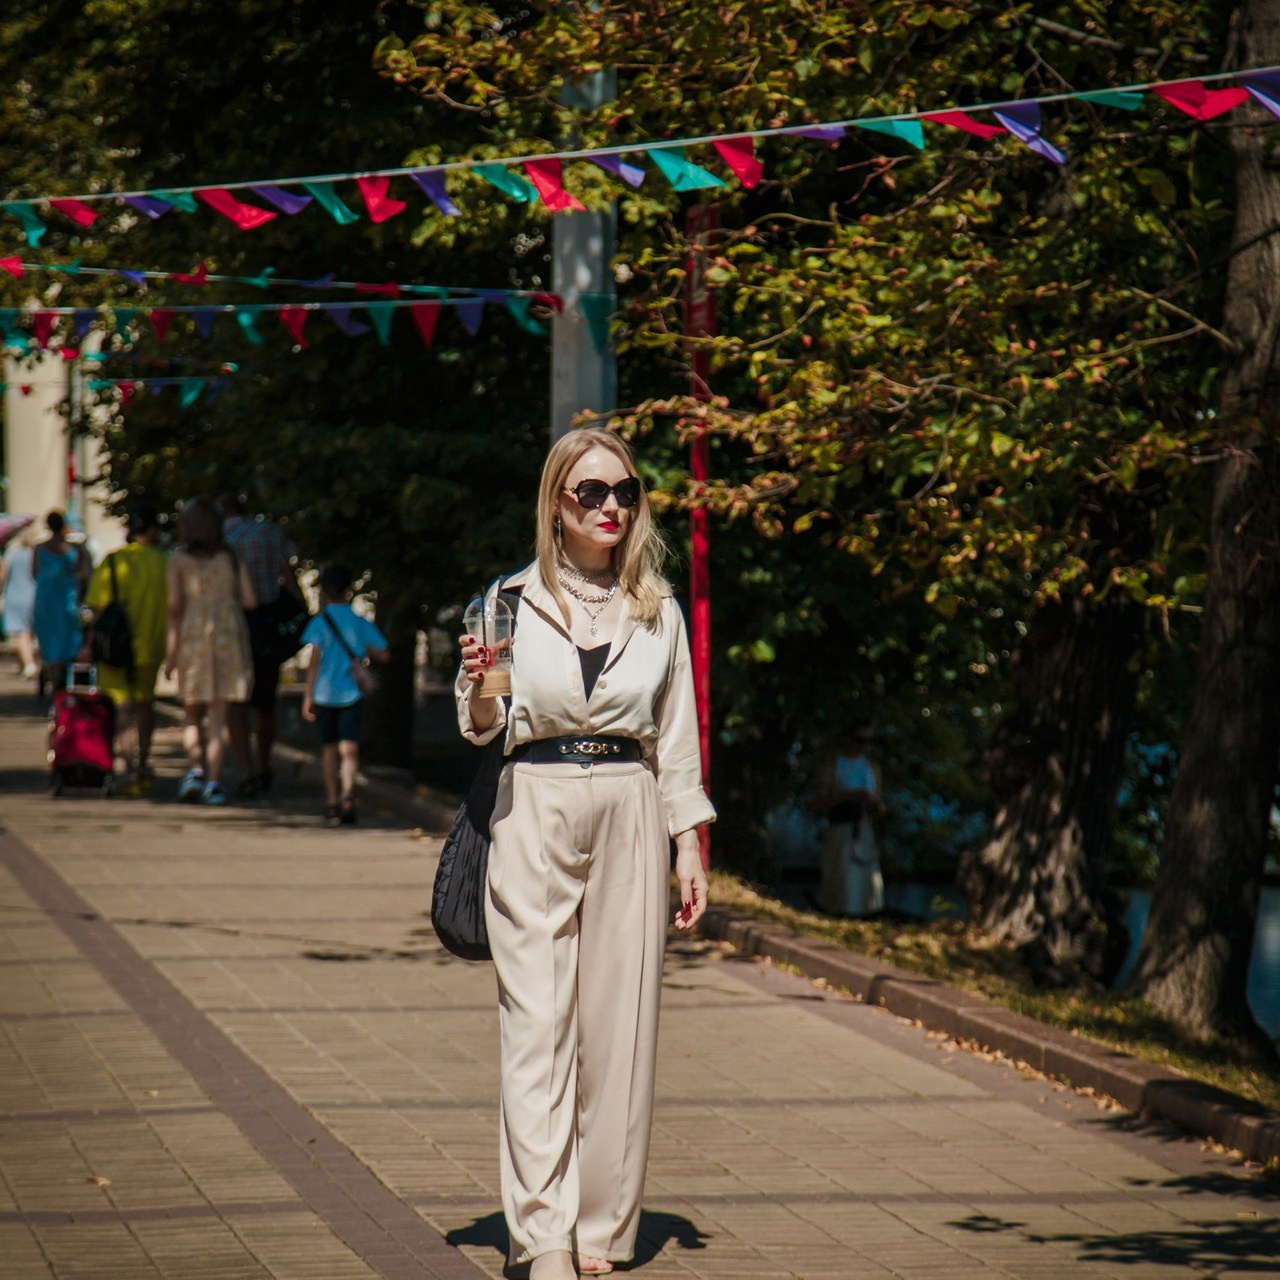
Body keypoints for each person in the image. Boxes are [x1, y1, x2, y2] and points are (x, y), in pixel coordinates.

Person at [456, 427, 713, 1280]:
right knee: (538, 1027)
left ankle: (602, 1231)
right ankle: (544, 1236)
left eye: (625, 493)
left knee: (620, 1032)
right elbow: (484, 727)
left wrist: (690, 843)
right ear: (555, 504)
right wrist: (479, 681)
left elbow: (675, 741)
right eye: (590, 493)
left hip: (633, 810)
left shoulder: (658, 608)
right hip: (534, 800)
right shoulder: (506, 601)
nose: (610, 508)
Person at [163, 495, 256, 806]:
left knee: (192, 713)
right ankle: (215, 782)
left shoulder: (178, 560)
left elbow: (175, 609)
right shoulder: (231, 557)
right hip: (228, 639)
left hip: (193, 638)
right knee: (219, 717)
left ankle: (195, 771)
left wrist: (171, 654)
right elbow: (251, 600)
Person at [220, 492, 305, 795]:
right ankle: (264, 764)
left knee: (236, 702)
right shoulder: (270, 532)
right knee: (267, 702)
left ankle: (246, 772)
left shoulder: (221, 538)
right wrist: (302, 610)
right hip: (269, 625)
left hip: (235, 625)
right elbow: (288, 575)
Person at [83, 506, 169, 794]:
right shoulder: (165, 563)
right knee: (145, 705)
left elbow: (97, 610)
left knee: (121, 708)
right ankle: (143, 764)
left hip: (115, 648)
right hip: (151, 644)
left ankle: (129, 769)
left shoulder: (112, 562)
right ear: (153, 530)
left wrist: (87, 644)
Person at [300, 563, 388, 826]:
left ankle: (331, 800)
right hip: (352, 694)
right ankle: (348, 796)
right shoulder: (359, 621)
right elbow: (384, 652)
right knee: (349, 749)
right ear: (349, 591)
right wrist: (362, 654)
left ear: (324, 590)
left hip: (325, 693)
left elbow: (313, 662)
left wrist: (308, 697)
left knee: (329, 750)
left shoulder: (320, 622)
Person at [817, 724, 886, 917]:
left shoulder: (872, 767)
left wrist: (874, 805)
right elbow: (820, 800)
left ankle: (866, 915)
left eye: (868, 741)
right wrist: (847, 797)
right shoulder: (833, 764)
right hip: (841, 827)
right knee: (841, 877)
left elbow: (879, 801)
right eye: (860, 740)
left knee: (864, 880)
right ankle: (836, 913)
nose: (864, 746)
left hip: (864, 828)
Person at [31, 510, 91, 693]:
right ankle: (60, 684)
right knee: (67, 646)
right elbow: (85, 575)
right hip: (67, 603)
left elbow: (34, 574)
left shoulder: (40, 549)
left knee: (50, 646)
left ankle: (53, 679)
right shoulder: (76, 549)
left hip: (46, 603)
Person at [1, 527, 40, 679]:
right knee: (31, 632)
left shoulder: (12, 554)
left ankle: (29, 665)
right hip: (35, 596)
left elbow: (3, 575)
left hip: (15, 597)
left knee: (21, 633)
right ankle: (27, 664)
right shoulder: (38, 555)